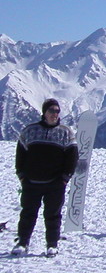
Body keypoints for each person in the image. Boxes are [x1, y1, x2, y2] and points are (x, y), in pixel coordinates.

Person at [12, 98, 79, 257]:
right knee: (28, 213)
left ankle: (52, 244)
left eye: (57, 111)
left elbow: (72, 157)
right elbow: (20, 154)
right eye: (51, 111)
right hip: (31, 182)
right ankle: (22, 242)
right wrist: (21, 175)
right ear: (44, 112)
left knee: (53, 215)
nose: (54, 114)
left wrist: (64, 178)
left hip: (55, 183)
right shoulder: (30, 131)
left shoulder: (66, 133)